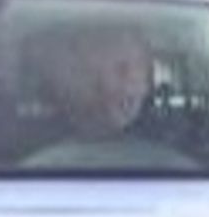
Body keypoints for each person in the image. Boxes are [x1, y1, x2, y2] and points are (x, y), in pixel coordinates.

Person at [19, 19, 187, 170]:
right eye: (120, 71)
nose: (130, 86)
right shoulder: (35, 166)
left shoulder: (178, 164)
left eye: (141, 70)